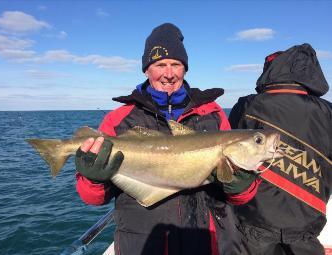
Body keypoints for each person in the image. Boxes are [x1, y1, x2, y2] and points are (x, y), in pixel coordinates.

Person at [75, 23, 259, 255]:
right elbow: (92, 198)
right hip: (144, 244)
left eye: (176, 65)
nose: (169, 74)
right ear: (146, 69)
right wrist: (93, 178)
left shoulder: (212, 112)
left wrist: (241, 185)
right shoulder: (118, 119)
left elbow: (242, 197)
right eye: (160, 65)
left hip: (209, 242)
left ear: (185, 69)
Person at [229, 43, 332, 255]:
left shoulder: (247, 105)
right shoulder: (327, 112)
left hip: (253, 224)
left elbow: (228, 157)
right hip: (307, 225)